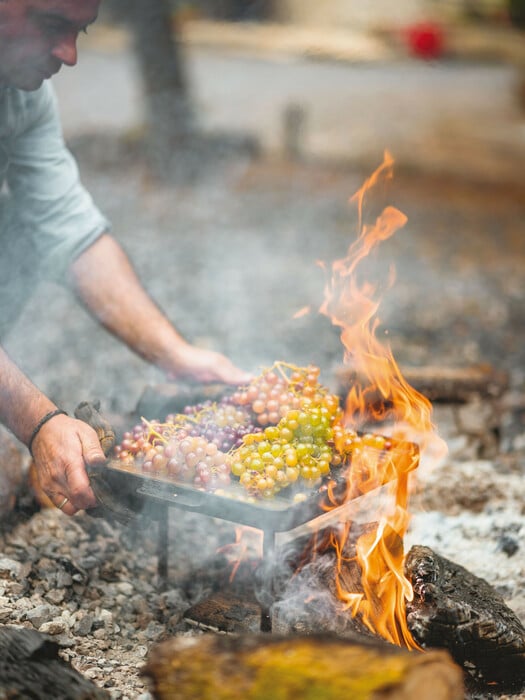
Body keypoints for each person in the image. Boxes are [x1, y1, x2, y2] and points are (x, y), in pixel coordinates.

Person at [0, 0, 251, 517]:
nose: (68, 54)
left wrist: (175, 353)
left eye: (80, 33)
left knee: (25, 225)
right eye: (51, 26)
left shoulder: (22, 96)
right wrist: (40, 422)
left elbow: (70, 229)